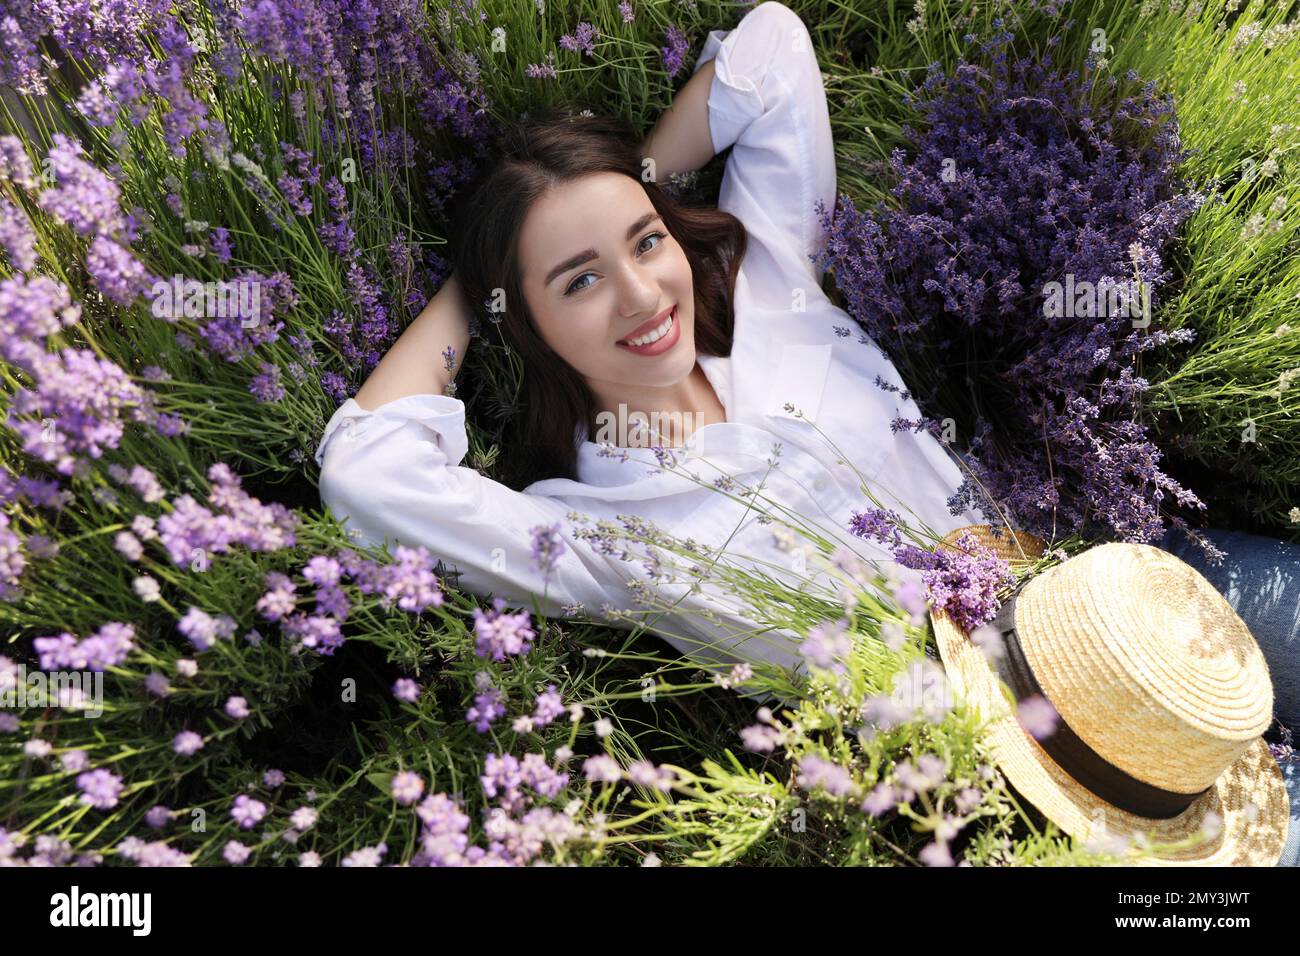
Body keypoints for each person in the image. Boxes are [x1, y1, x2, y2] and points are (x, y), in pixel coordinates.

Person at [315, 1, 1300, 860]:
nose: (638, 291)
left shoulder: (760, 281)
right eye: (578, 280)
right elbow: (366, 472)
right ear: (530, 321)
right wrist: (476, 290)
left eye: (644, 241)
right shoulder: (597, 532)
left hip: (1122, 601)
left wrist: (624, 178)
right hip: (1039, 772)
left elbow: (770, 54)